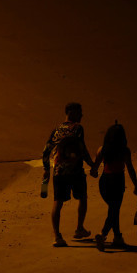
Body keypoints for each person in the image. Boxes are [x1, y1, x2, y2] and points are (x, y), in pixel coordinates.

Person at [42, 102, 96, 247]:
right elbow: (82, 148)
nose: (82, 115)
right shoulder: (77, 128)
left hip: (59, 172)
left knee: (57, 202)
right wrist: (92, 165)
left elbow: (46, 150)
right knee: (82, 198)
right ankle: (79, 228)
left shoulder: (57, 130)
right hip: (76, 171)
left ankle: (57, 236)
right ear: (71, 112)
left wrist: (47, 169)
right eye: (80, 112)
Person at [90, 121, 137, 251]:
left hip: (104, 181)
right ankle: (103, 234)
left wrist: (93, 172)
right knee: (114, 209)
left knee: (113, 209)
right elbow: (131, 169)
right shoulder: (124, 151)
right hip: (117, 181)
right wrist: (136, 184)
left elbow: (94, 169)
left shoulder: (102, 149)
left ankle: (117, 237)